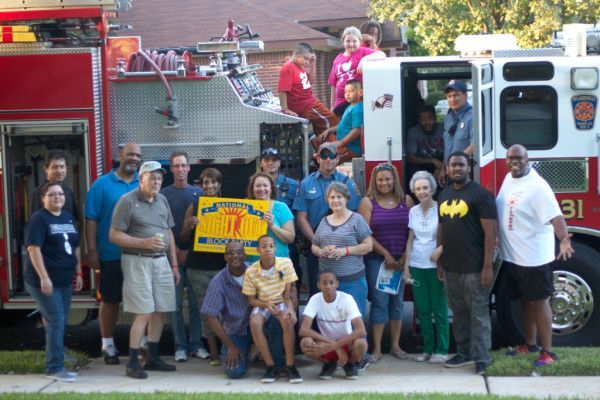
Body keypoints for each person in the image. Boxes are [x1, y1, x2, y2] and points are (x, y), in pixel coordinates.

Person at [496, 144, 574, 367]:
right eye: (510, 157)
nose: (514, 161)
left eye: (519, 158)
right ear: (506, 159)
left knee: (539, 302)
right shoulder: (509, 178)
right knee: (525, 301)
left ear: (527, 159)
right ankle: (529, 344)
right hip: (513, 255)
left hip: (533, 257)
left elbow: (555, 216)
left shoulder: (538, 186)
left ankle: (548, 352)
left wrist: (564, 239)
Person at [109, 161, 181, 379]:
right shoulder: (127, 201)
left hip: (161, 262)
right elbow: (114, 235)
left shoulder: (162, 200)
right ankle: (132, 362)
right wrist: (144, 243)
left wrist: (174, 265)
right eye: (152, 177)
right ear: (141, 179)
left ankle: (152, 357)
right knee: (145, 311)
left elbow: (169, 233)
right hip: (137, 260)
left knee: (160, 310)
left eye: (159, 178)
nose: (157, 181)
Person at [437, 151, 497, 375]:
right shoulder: (443, 195)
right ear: (448, 168)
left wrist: (487, 266)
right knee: (459, 313)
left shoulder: (481, 195)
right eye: (453, 165)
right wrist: (440, 261)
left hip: (474, 267)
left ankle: (482, 358)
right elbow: (441, 229)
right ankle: (463, 353)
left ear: (469, 167)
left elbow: (490, 233)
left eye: (461, 165)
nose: (456, 169)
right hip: (451, 266)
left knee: (479, 313)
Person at [85, 143, 141, 365]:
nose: (133, 158)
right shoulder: (101, 185)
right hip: (110, 255)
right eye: (130, 154)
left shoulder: (144, 182)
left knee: (140, 300)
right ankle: (108, 346)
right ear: (120, 156)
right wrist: (91, 250)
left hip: (139, 255)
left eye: (137, 155)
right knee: (109, 301)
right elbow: (91, 219)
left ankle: (142, 344)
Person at [24, 182, 83, 383]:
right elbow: (34, 249)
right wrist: (44, 276)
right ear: (43, 198)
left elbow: (75, 246)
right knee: (56, 320)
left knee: (59, 320)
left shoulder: (67, 217)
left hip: (65, 280)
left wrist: (79, 272)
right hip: (44, 281)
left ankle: (57, 360)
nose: (57, 197)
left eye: (60, 194)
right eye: (52, 194)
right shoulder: (38, 219)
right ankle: (54, 367)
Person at [293, 142, 361, 296]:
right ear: (317, 158)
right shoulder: (305, 184)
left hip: (342, 247)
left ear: (337, 159)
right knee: (318, 291)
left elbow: (355, 213)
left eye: (332, 155)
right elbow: (301, 218)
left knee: (343, 291)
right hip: (317, 246)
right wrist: (316, 241)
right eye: (324, 155)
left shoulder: (347, 183)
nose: (328, 159)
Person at [358, 163, 409, 363]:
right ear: (374, 181)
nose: (384, 183)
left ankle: (396, 346)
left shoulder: (406, 201)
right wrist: (386, 254)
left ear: (394, 179)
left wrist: (405, 256)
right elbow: (365, 234)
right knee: (380, 302)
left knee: (397, 303)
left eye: (387, 179)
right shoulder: (368, 202)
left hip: (401, 260)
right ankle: (377, 349)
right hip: (378, 260)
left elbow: (412, 232)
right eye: (380, 179)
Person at [160, 151, 208, 362]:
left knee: (197, 305)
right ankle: (180, 346)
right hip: (172, 258)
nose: (180, 170)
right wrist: (176, 252)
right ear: (171, 169)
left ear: (189, 168)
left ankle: (197, 344)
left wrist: (189, 250)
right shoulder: (163, 195)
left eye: (183, 166)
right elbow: (163, 226)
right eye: (176, 166)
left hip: (195, 257)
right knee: (176, 305)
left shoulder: (199, 193)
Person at [180, 168, 226, 366]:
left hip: (221, 267)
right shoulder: (195, 205)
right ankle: (214, 353)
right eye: (206, 183)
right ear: (201, 185)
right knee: (206, 311)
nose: (210, 186)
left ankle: (227, 350)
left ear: (219, 184)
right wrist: (190, 225)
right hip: (197, 267)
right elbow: (182, 239)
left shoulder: (228, 206)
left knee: (225, 311)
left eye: (213, 182)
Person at [403, 171, 449, 364]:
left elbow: (452, 235)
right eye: (418, 188)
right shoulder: (413, 211)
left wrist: (440, 250)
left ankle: (442, 350)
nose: (422, 191)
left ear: (432, 189)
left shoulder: (441, 209)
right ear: (414, 191)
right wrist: (406, 266)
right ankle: (428, 349)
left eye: (425, 188)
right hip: (416, 264)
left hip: (435, 265)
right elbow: (410, 239)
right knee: (422, 310)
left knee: (439, 309)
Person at [242, 235, 302, 384]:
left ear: (275, 248)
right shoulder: (251, 270)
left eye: (270, 246)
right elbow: (251, 300)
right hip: (262, 302)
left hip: (282, 301)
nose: (267, 249)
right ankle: (270, 366)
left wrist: (290, 309)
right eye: (263, 246)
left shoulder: (286, 263)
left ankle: (290, 365)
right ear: (257, 250)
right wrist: (266, 304)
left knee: (287, 320)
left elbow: (291, 289)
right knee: (255, 323)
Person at [312, 182, 372, 316]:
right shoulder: (324, 221)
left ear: (347, 198)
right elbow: (314, 245)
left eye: (339, 197)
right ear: (327, 200)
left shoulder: (356, 219)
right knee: (331, 322)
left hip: (352, 282)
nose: (335, 200)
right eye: (332, 197)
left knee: (353, 321)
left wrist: (344, 251)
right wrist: (321, 252)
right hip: (328, 283)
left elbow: (369, 246)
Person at [299, 271, 368, 380]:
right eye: (324, 283)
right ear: (318, 285)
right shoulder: (315, 299)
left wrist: (335, 346)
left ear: (337, 284)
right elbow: (303, 330)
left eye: (331, 283)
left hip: (346, 343)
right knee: (305, 343)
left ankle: (349, 363)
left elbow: (361, 330)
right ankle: (329, 364)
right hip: (326, 344)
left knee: (361, 343)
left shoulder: (346, 299)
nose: (328, 286)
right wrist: (334, 346)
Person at [201, 241, 252, 379]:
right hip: (237, 330)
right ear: (225, 257)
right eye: (230, 253)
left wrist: (293, 292)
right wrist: (230, 346)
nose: (235, 256)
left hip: (260, 327)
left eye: (239, 252)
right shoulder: (218, 282)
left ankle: (266, 356)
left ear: (245, 256)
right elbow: (210, 315)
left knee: (276, 324)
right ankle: (245, 352)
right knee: (234, 372)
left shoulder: (256, 271)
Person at [278, 43, 338, 152]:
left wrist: (312, 64)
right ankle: (331, 151)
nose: (307, 61)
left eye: (308, 59)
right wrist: (285, 109)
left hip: (311, 102)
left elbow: (311, 81)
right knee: (330, 119)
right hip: (305, 106)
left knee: (326, 123)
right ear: (296, 54)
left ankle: (323, 151)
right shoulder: (287, 68)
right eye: (305, 58)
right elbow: (282, 90)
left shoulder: (300, 66)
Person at [260, 147, 301, 287]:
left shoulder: (294, 185)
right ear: (261, 163)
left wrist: (300, 240)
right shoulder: (255, 184)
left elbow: (299, 213)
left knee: (291, 281)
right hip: (262, 242)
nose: (270, 163)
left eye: (274, 160)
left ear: (279, 163)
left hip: (286, 241)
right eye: (266, 160)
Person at [329, 26, 385, 117]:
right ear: (343, 42)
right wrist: (332, 106)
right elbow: (333, 84)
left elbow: (381, 55)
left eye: (354, 41)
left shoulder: (362, 52)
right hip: (339, 104)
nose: (351, 44)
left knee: (353, 129)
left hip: (355, 102)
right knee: (341, 130)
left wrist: (364, 60)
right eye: (348, 41)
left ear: (360, 42)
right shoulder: (337, 59)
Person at [246, 172, 295, 262]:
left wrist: (272, 226)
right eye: (258, 186)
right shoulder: (245, 207)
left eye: (265, 185)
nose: (262, 189)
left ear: (271, 188)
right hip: (253, 264)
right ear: (252, 189)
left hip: (279, 262)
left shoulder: (281, 207)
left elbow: (290, 238)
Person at [319, 80, 364, 163]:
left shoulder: (358, 109)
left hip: (350, 148)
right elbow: (341, 125)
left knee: (326, 159)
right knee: (318, 140)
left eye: (351, 91)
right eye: (345, 92)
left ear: (360, 93)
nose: (347, 94)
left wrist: (341, 142)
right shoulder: (351, 106)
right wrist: (329, 130)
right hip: (342, 143)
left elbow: (357, 130)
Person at [439, 80, 473, 186]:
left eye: (456, 95)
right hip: (450, 172)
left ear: (465, 95)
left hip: (465, 173)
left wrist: (454, 164)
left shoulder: (473, 116)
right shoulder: (449, 117)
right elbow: (448, 146)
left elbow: (475, 145)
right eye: (449, 96)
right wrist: (443, 168)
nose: (452, 99)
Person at [29, 149, 80, 221]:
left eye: (62, 166)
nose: (59, 171)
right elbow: (34, 224)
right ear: (46, 169)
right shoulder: (38, 193)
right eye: (55, 167)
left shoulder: (69, 192)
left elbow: (75, 221)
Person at [406, 105, 445, 180]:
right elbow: (410, 158)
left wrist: (442, 168)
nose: (427, 122)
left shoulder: (443, 129)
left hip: (441, 163)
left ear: (435, 118)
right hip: (421, 165)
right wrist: (432, 161)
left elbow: (451, 151)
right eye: (423, 120)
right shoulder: (413, 132)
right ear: (419, 121)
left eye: (430, 119)